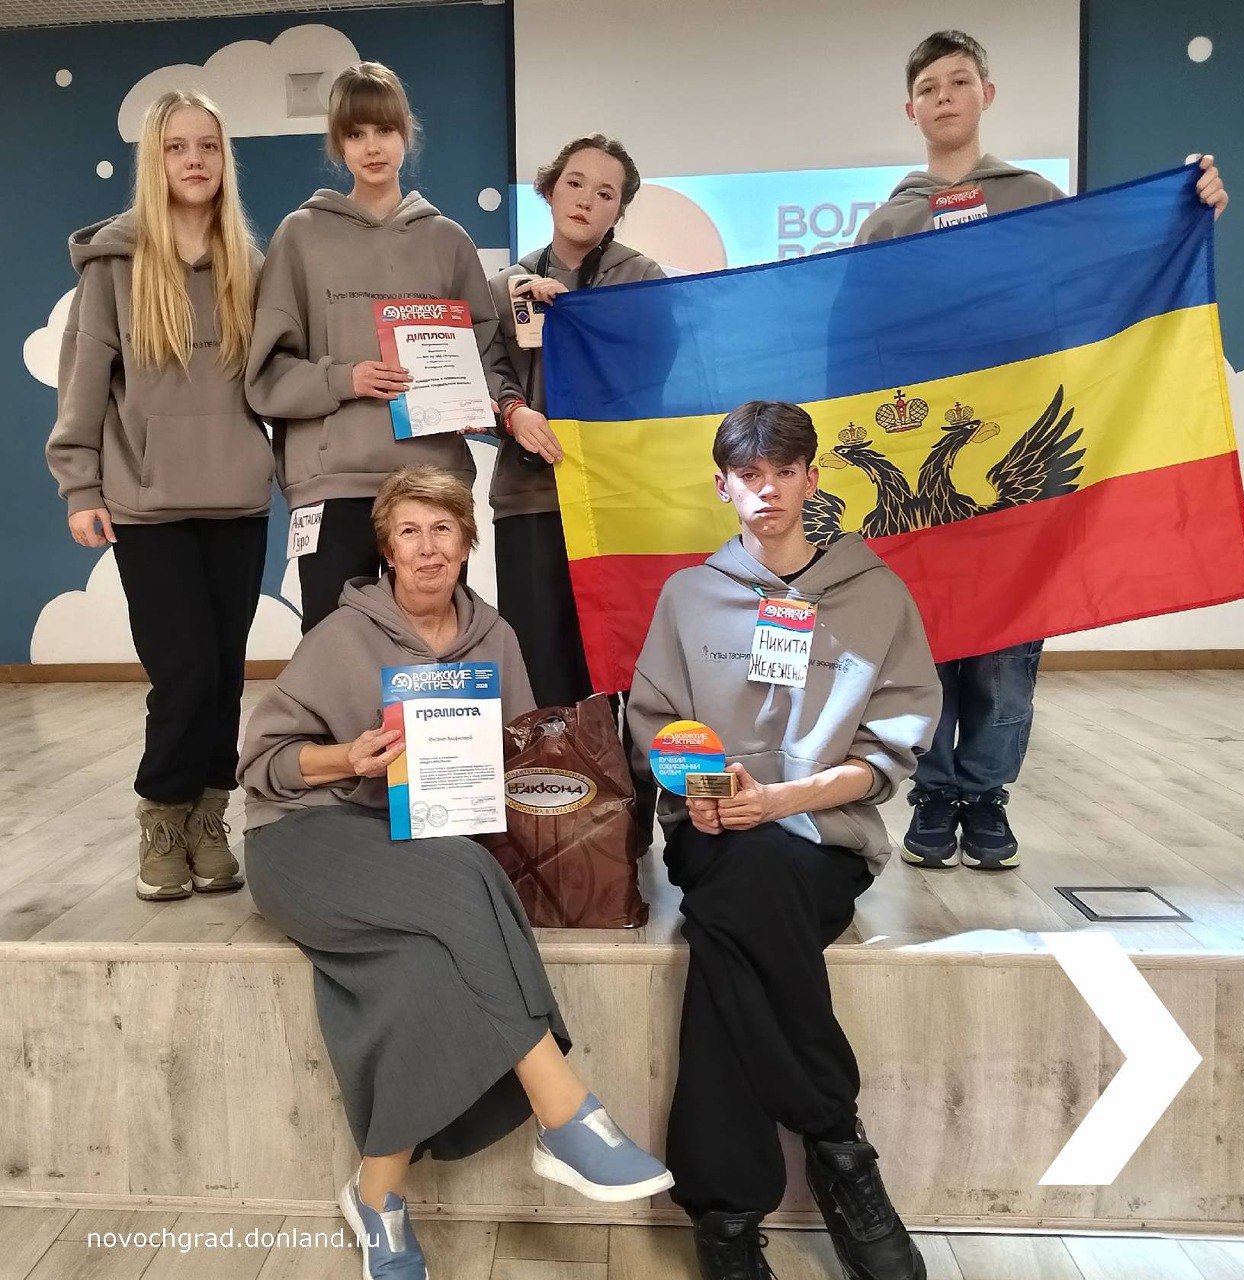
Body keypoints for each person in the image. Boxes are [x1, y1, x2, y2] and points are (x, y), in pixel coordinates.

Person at [238, 465, 672, 1280]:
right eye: (409, 532)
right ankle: (565, 1112)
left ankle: (376, 1198)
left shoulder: (496, 638)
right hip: (303, 839)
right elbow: (261, 765)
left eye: (443, 529)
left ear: (468, 543)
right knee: (463, 876)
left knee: (422, 968)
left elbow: (519, 757)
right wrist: (347, 756)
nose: (427, 548)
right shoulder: (340, 637)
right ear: (387, 550)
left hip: (418, 850)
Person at [855, 29, 1230, 872]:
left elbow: (1111, 274)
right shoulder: (886, 224)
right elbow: (853, 340)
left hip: (1015, 463)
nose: (945, 97)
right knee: (927, 639)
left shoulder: (1039, 201)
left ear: (985, 94)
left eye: (960, 81)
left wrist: (1187, 208)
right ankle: (932, 791)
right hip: (919, 469)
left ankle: (985, 794)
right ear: (911, 109)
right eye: (930, 86)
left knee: (1006, 645)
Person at [627, 403, 941, 1280]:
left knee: (733, 932)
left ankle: (727, 1219)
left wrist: (785, 799)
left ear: (811, 478)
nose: (767, 491)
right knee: (748, 873)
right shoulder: (688, 596)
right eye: (749, 476)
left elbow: (888, 753)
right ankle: (840, 1146)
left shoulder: (876, 594)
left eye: (784, 472)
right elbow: (655, 728)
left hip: (823, 836)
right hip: (714, 829)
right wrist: (712, 798)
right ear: (722, 486)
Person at [46, 90, 270, 903]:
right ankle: (162, 818)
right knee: (184, 673)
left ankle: (210, 817)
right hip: (146, 502)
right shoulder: (115, 265)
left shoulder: (251, 264)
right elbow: (82, 384)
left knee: (226, 675)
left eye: (207, 145)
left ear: (223, 158)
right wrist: (79, 483)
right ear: (155, 160)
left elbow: (276, 379)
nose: (194, 160)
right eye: (177, 147)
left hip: (237, 500)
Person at [245, 61, 528, 633]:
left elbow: (484, 357)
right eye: (355, 134)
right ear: (338, 145)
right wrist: (344, 379)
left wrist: (503, 407)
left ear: (406, 134)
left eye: (385, 130)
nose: (372, 147)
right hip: (333, 484)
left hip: (432, 481)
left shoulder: (448, 241)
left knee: (436, 640)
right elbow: (266, 376)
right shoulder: (299, 237)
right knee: (335, 643)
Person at [488, 133, 666, 706]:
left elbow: (653, 377)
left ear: (619, 210)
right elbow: (488, 371)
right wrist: (514, 412)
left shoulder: (642, 279)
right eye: (574, 183)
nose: (586, 199)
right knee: (539, 660)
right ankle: (551, 766)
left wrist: (575, 314)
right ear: (548, 189)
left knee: (617, 657)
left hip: (614, 496)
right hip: (530, 497)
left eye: (606, 193)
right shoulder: (506, 286)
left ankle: (620, 766)